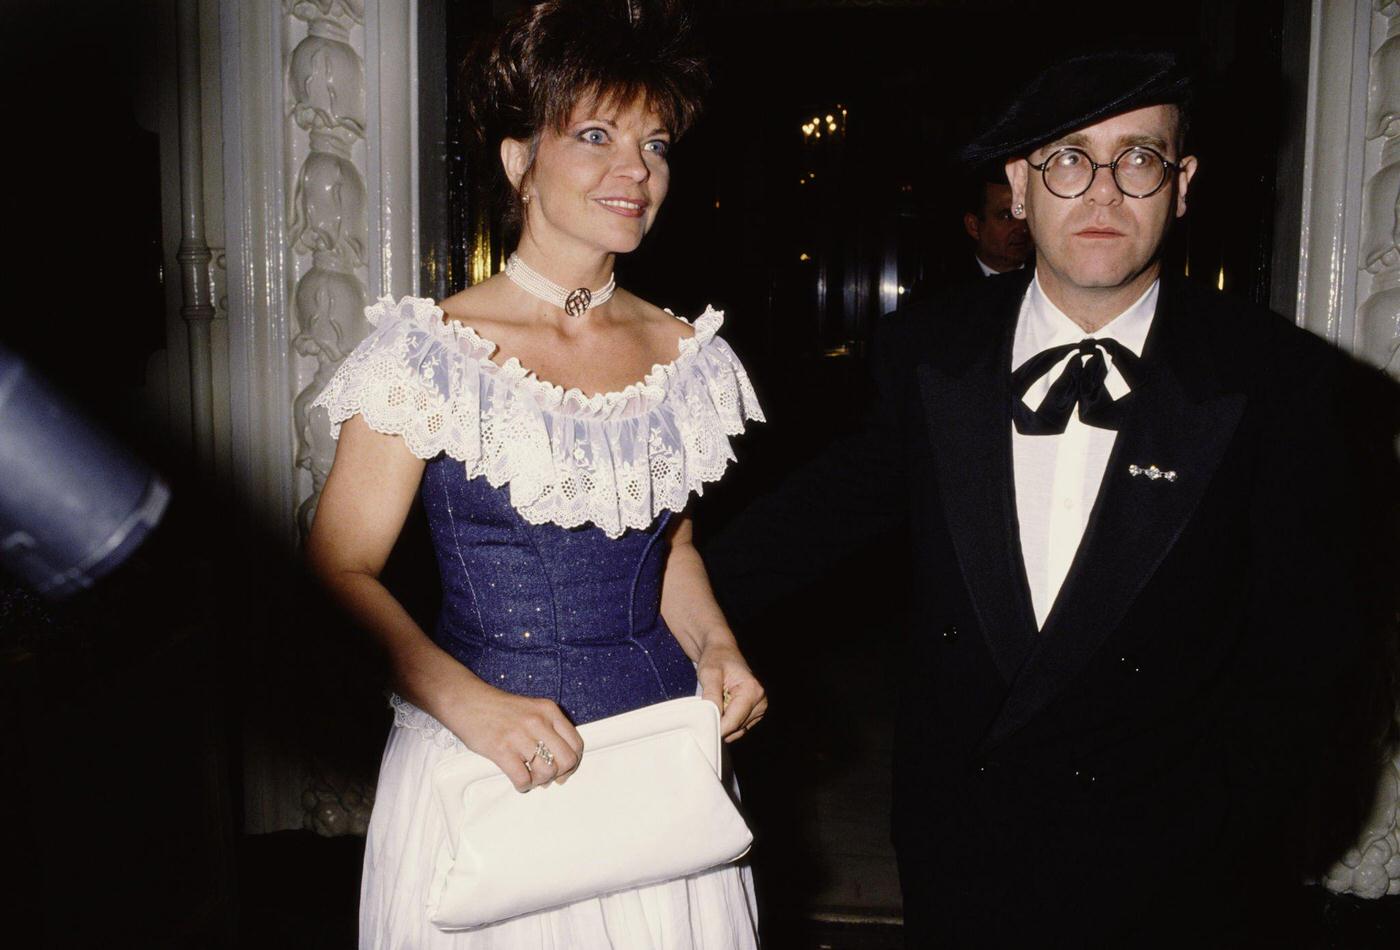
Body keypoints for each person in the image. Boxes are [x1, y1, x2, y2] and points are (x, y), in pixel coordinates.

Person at [705, 47, 1383, 946]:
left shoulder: (1280, 380)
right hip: (967, 851)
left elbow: (1314, 655)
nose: (1102, 192)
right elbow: (811, 522)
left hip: (1181, 876)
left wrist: (1228, 827)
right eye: (1068, 159)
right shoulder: (929, 353)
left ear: (1181, 186)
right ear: (1019, 189)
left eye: (1137, 158)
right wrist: (641, 603)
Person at [306, 2, 766, 946]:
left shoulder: (687, 354)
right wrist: (463, 701)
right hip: (488, 770)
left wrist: (716, 647)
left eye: (656, 143)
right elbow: (336, 568)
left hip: (657, 772)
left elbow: (668, 544)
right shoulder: (430, 352)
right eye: (595, 134)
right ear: (519, 160)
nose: (634, 170)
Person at [961, 174, 1033, 278]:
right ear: (974, 226)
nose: (1023, 228)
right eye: (1006, 216)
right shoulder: (948, 287)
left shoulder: (1053, 275)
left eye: (1027, 214)